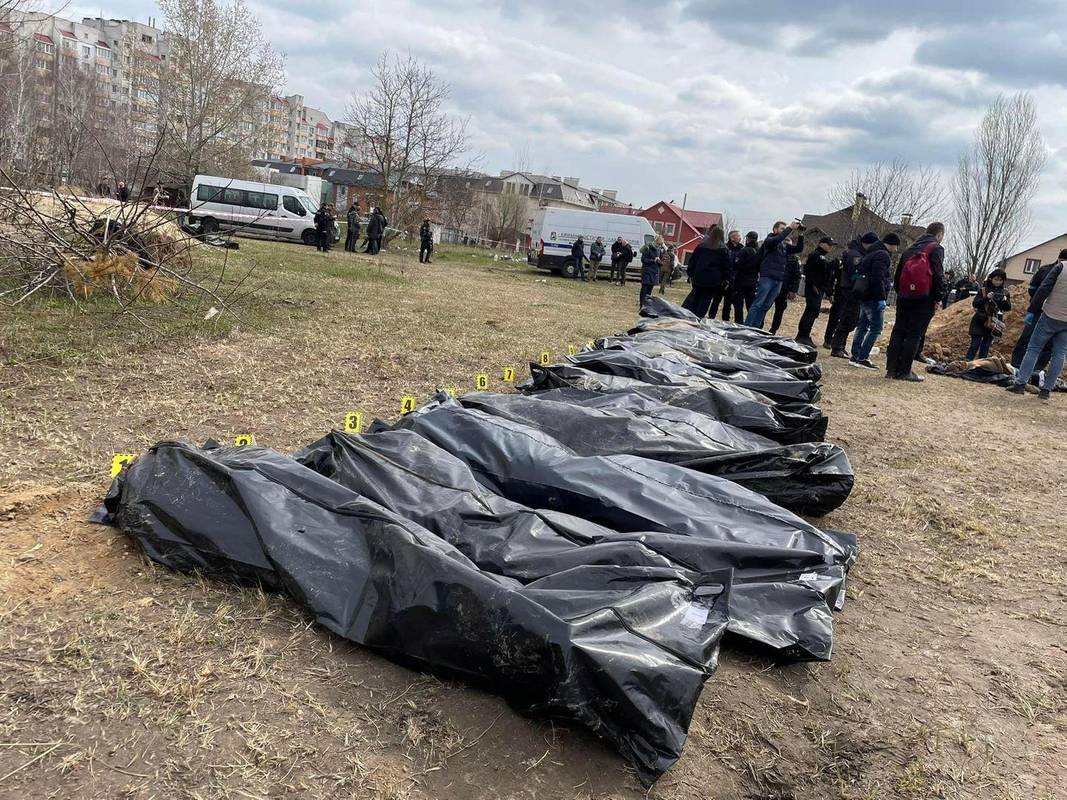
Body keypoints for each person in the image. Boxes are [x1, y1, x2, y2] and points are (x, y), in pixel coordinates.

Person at [884, 222, 946, 381]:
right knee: (914, 334)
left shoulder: (909, 249)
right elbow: (938, 276)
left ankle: (891, 370)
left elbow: (898, 276)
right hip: (924, 299)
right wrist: (938, 297)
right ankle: (905, 371)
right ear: (939, 234)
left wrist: (902, 293)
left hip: (904, 297)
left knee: (898, 331)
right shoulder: (936, 248)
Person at [1006, 257, 1066, 401]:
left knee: (1033, 348)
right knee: (1059, 354)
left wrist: (1032, 310)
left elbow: (1043, 288)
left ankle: (1020, 384)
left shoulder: (1060, 267)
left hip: (1050, 315)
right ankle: (1046, 390)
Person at [849, 232, 900, 370]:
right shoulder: (882, 255)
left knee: (862, 326)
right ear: (891, 244)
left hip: (865, 295)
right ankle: (863, 357)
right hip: (873, 297)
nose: (896, 250)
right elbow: (878, 278)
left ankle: (855, 354)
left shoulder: (871, 253)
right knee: (876, 328)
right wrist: (881, 298)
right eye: (896, 247)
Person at [744, 221, 803, 329]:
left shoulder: (784, 245)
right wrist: (789, 228)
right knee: (758, 303)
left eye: (785, 228)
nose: (784, 230)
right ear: (775, 230)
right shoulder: (770, 240)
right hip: (767, 277)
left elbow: (799, 249)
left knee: (766, 305)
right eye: (782, 228)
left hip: (778, 279)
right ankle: (748, 325)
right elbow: (776, 239)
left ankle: (756, 327)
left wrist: (801, 234)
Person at [829, 232, 878, 358]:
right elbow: (854, 273)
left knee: (851, 319)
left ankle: (840, 345)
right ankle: (837, 346)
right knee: (848, 318)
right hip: (850, 290)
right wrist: (862, 278)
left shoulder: (860, 253)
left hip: (855, 289)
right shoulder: (855, 255)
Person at [795, 236, 836, 347]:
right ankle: (803, 335)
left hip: (819, 287)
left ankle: (804, 334)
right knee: (811, 310)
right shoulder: (816, 255)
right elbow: (821, 268)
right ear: (822, 244)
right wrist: (833, 264)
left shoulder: (821, 256)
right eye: (829, 245)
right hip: (814, 287)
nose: (830, 247)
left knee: (813, 311)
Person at [681, 226, 729, 319]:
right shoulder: (723, 249)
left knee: (695, 298)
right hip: (713, 280)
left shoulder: (701, 246)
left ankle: (689, 316)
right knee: (705, 300)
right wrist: (725, 279)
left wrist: (691, 273)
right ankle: (698, 317)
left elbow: (693, 260)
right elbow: (726, 266)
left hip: (699, 277)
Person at [966, 269, 1012, 359]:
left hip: (993, 323)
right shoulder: (983, 290)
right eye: (996, 279)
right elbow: (975, 304)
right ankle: (966, 365)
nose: (998, 282)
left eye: (1000, 280)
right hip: (980, 320)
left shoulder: (1005, 293)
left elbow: (1008, 308)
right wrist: (986, 298)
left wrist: (1004, 301)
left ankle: (980, 368)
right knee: (975, 344)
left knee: (985, 347)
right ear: (991, 279)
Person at [709, 230, 741, 320]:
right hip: (721, 279)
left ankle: (725, 320)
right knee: (716, 300)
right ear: (732, 238)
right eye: (738, 236)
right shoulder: (724, 248)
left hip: (733, 280)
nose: (740, 238)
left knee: (728, 302)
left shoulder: (741, 249)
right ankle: (711, 317)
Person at [729, 231, 760, 323]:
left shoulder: (744, 250)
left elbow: (736, 264)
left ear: (748, 239)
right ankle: (751, 322)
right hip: (753, 281)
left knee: (738, 304)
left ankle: (739, 322)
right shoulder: (758, 251)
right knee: (750, 304)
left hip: (741, 281)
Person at [768, 253, 801, 335]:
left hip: (784, 288)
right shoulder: (775, 254)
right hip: (772, 285)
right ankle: (759, 325)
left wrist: (793, 290)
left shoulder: (794, 259)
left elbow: (797, 276)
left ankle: (773, 329)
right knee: (765, 306)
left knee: (780, 310)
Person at [639, 237, 663, 308]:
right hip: (647, 271)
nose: (659, 246)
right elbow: (643, 259)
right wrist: (653, 260)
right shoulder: (648, 248)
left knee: (649, 290)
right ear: (656, 242)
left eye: (660, 245)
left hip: (654, 272)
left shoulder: (659, 250)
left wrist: (660, 261)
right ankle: (642, 304)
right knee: (644, 289)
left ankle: (647, 305)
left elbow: (661, 261)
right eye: (658, 244)